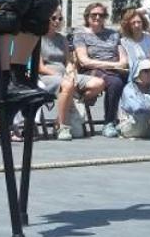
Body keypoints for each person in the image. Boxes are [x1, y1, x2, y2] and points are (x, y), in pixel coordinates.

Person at [36, 8, 101, 141]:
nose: (57, 21)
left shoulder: (62, 39)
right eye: (53, 18)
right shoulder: (38, 38)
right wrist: (62, 77)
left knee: (98, 83)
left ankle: (66, 110)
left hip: (65, 75)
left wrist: (71, 70)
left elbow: (68, 61)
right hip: (46, 77)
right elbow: (40, 67)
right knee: (67, 85)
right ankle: (62, 126)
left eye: (60, 19)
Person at [72, 2, 129, 138]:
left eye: (101, 15)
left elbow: (123, 60)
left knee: (138, 80)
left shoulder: (114, 34)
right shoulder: (80, 34)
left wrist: (115, 66)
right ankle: (109, 122)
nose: (98, 17)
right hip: (90, 71)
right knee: (115, 83)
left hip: (113, 70)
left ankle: (134, 119)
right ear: (87, 16)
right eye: (94, 14)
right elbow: (84, 61)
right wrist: (110, 65)